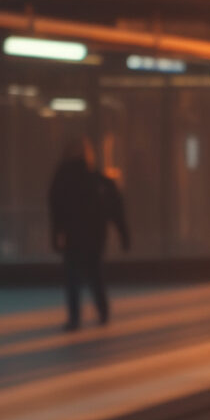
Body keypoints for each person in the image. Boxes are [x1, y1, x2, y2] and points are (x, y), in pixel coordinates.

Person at [47, 138, 128, 331]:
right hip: (94, 236)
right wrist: (123, 233)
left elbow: (55, 210)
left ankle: (75, 318)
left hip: (74, 236)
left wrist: (57, 235)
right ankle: (103, 312)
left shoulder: (62, 179)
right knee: (95, 274)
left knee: (73, 277)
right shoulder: (98, 180)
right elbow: (114, 207)